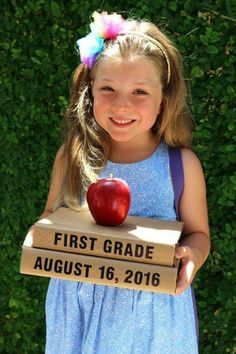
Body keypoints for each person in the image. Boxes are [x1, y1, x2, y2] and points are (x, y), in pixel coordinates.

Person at [36, 11, 210, 354]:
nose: (121, 104)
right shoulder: (72, 158)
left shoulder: (180, 165)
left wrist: (190, 256)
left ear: (164, 100)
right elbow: (49, 218)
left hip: (152, 316)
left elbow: (199, 234)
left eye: (140, 92)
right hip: (79, 307)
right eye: (108, 89)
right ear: (90, 93)